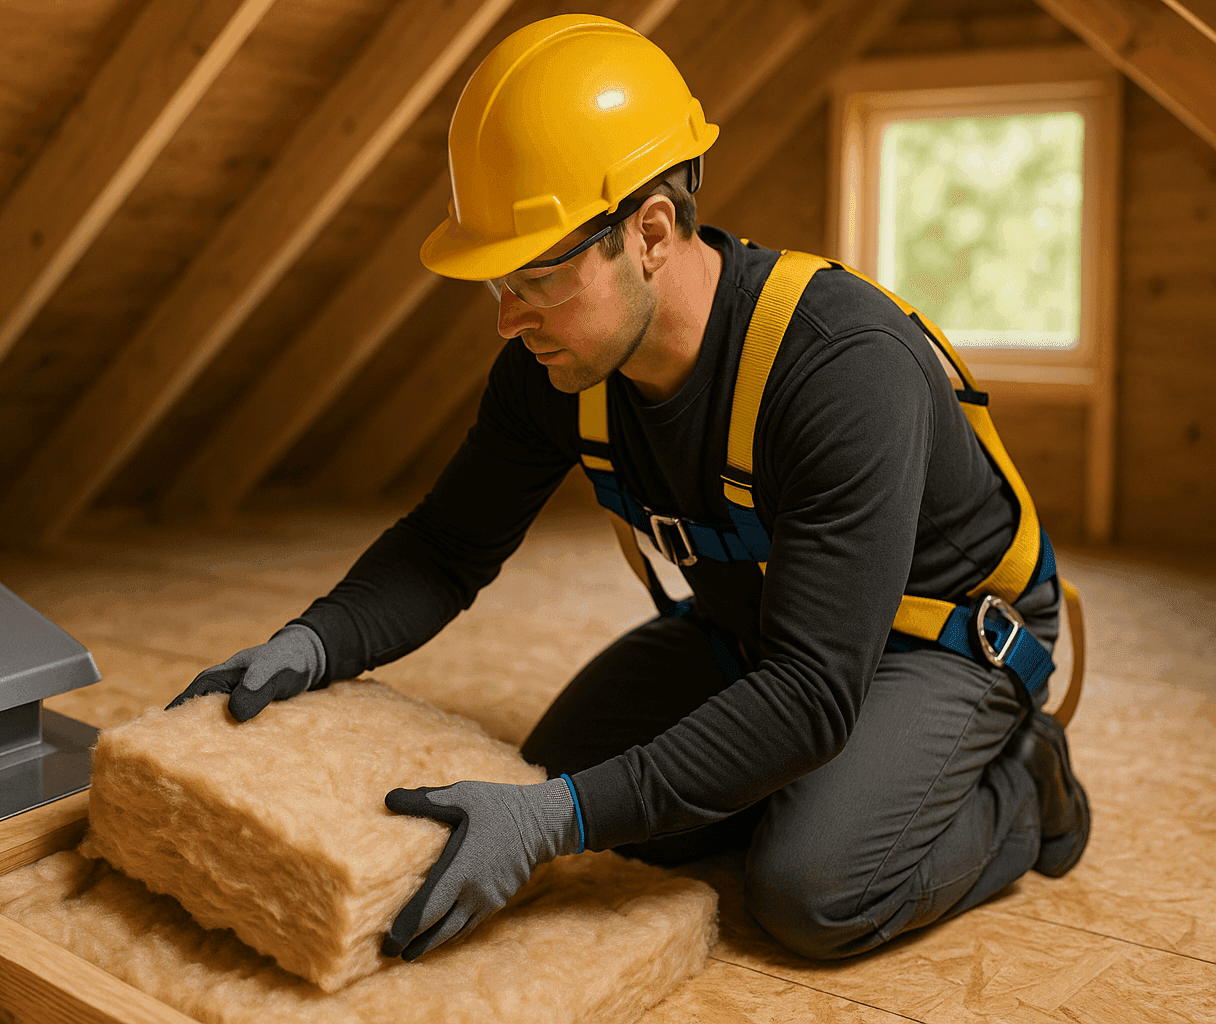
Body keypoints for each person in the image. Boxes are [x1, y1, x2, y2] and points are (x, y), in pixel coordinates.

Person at [167, 14, 1090, 963]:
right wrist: (311, 643)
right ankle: (800, 785)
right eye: (496, 284)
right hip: (760, 624)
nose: (508, 318)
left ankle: (1025, 788)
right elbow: (448, 546)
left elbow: (814, 691)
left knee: (810, 887)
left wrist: (558, 822)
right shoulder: (555, 363)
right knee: (560, 775)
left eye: (534, 277)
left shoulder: (840, 369)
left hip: (934, 639)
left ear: (649, 231)